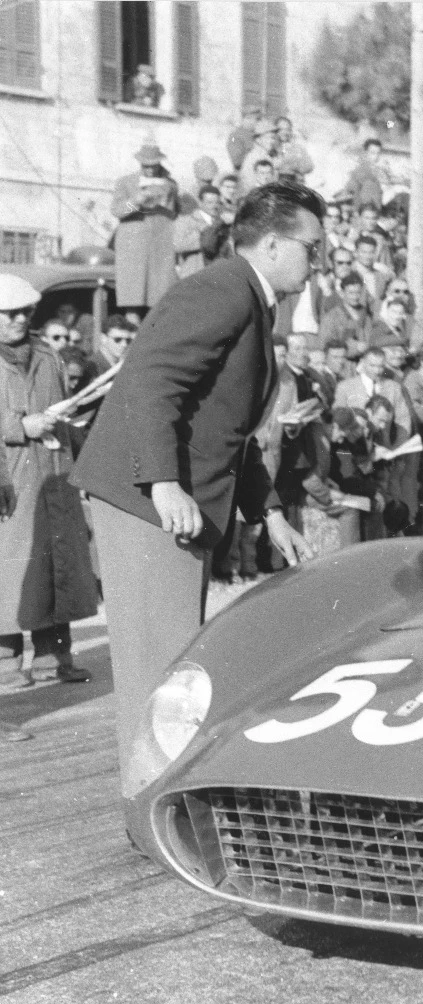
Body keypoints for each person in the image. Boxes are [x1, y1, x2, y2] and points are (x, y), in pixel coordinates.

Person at [71, 179, 323, 801]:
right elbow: (151, 383)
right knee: (159, 668)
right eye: (311, 247)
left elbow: (226, 428)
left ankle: (161, 796)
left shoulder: (248, 297)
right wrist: (163, 484)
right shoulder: (222, 290)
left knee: (171, 660)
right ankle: (152, 807)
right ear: (270, 243)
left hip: (169, 500)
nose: (318, 260)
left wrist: (268, 513)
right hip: (147, 500)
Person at [0, 274, 101, 710]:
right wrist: (19, 427)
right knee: (9, 567)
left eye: (25, 311)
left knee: (52, 559)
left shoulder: (48, 355)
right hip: (9, 477)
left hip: (53, 473)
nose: (18, 320)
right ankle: (5, 657)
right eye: (9, 313)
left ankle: (50, 652)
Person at [110, 140, 180, 310]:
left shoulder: (170, 184)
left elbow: (176, 212)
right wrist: (136, 201)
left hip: (160, 249)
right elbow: (117, 211)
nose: (149, 169)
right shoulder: (125, 182)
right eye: (146, 165)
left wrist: (166, 196)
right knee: (132, 300)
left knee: (159, 301)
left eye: (154, 165)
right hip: (133, 251)